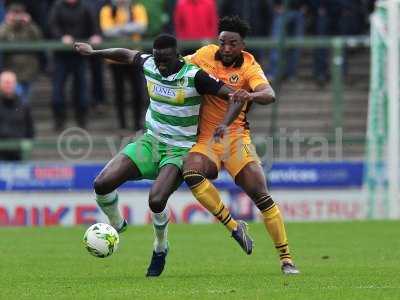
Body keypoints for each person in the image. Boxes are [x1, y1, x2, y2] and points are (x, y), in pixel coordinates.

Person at [74, 34, 252, 277]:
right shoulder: (149, 63)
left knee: (156, 200)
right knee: (101, 184)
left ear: (177, 55)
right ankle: (116, 224)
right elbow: (126, 54)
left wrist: (225, 123)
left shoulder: (194, 76)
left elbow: (235, 96)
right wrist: (94, 52)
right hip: (151, 141)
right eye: (158, 60)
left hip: (180, 149)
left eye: (165, 60)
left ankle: (160, 247)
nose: (161, 65)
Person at [182, 16, 300, 275]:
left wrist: (251, 94)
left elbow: (269, 94)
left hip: (237, 139)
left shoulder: (249, 66)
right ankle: (234, 226)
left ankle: (286, 259)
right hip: (207, 139)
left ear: (242, 45)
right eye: (222, 42)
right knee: (190, 172)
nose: (225, 48)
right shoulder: (204, 54)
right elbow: (178, 67)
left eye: (232, 44)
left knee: (261, 194)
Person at [48, 0, 101, 130]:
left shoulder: (85, 7)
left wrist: (96, 35)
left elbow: (94, 26)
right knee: (57, 90)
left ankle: (82, 119)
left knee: (82, 90)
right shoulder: (57, 6)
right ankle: (59, 120)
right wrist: (61, 37)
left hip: (80, 55)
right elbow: (52, 26)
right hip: (61, 55)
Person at [100, 0, 149, 132]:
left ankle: (137, 124)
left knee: (138, 92)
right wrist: (130, 28)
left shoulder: (137, 8)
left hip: (134, 58)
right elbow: (107, 31)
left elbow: (142, 26)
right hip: (115, 59)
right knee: (119, 93)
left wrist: (119, 29)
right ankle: (122, 125)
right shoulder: (107, 10)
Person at [0, 3, 43, 103]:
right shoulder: (6, 28)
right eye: (14, 14)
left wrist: (30, 23)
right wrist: (7, 24)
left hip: (29, 72)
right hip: (12, 72)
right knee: (16, 102)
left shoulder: (29, 27)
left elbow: (39, 38)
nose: (17, 18)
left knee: (25, 103)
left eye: (19, 14)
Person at [0, 70, 34, 161]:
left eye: (11, 82)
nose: (8, 85)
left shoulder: (24, 105)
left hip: (19, 154)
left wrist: (27, 146)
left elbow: (30, 129)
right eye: (5, 82)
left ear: (15, 84)